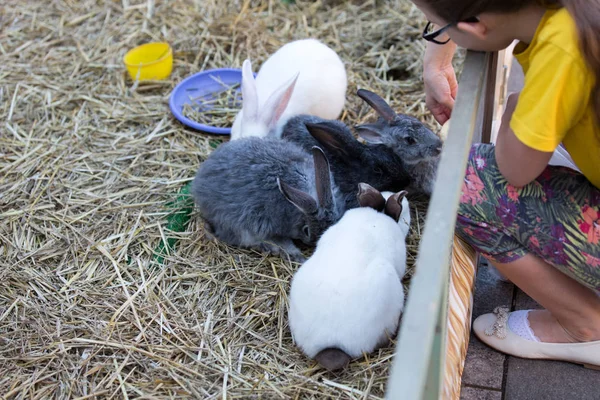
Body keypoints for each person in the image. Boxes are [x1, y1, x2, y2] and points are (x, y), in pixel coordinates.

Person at [414, 0, 600, 368]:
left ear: (475, 26)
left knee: (464, 181)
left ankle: (585, 327)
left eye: (439, 29)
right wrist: (437, 58)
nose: (440, 36)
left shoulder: (562, 50)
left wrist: (516, 106)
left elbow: (515, 169)